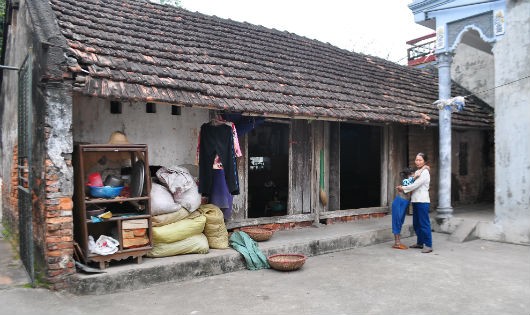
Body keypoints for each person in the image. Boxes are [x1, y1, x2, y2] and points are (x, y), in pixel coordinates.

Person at [396, 153, 433, 253]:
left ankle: (428, 245)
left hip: (423, 201)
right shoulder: (418, 171)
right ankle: (420, 243)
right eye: (416, 160)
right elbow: (411, 181)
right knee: (416, 223)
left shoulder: (425, 173)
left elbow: (415, 185)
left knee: (424, 223)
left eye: (420, 160)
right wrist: (403, 185)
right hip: (416, 200)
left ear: (424, 161)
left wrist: (403, 188)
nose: (417, 162)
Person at [391, 165, 430, 250]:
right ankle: (397, 243)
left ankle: (397, 242)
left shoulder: (411, 180)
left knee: (400, 221)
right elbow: (414, 179)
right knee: (397, 221)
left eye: (413, 174)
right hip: (399, 202)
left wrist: (423, 169)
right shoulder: (406, 181)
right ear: (409, 174)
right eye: (412, 174)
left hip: (404, 202)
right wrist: (423, 168)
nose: (414, 175)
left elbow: (415, 179)